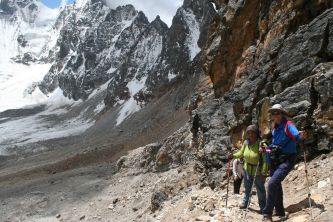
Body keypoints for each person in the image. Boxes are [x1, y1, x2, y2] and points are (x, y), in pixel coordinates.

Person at [262, 104, 304, 221]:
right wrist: (266, 150)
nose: (275, 115)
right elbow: (274, 145)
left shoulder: (288, 125)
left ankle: (267, 214)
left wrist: (300, 137)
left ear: (282, 114)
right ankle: (279, 210)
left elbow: (296, 135)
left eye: (277, 112)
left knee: (271, 183)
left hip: (287, 159)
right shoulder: (275, 128)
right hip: (276, 160)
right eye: (273, 113)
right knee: (276, 185)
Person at [229, 125, 268, 213]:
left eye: (253, 133)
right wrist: (233, 155)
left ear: (257, 133)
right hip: (247, 169)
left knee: (260, 189)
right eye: (249, 133)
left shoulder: (261, 144)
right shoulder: (246, 143)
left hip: (258, 170)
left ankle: (263, 207)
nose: (251, 135)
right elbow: (241, 153)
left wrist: (264, 172)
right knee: (247, 188)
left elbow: (265, 159)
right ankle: (245, 203)